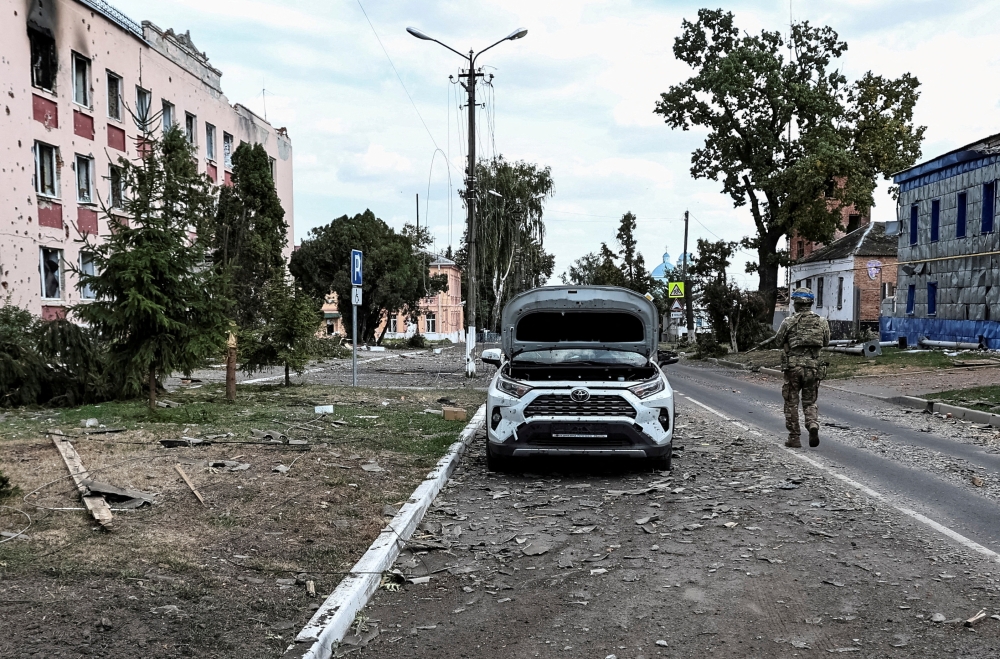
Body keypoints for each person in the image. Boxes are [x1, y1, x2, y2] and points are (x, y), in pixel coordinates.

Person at [774, 287, 830, 448]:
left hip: (793, 368)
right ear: (811, 303)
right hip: (813, 368)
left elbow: (778, 341)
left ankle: (794, 437)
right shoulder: (822, 321)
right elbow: (826, 342)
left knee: (791, 402)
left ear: (796, 304)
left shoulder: (788, 322)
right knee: (809, 401)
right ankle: (812, 424)